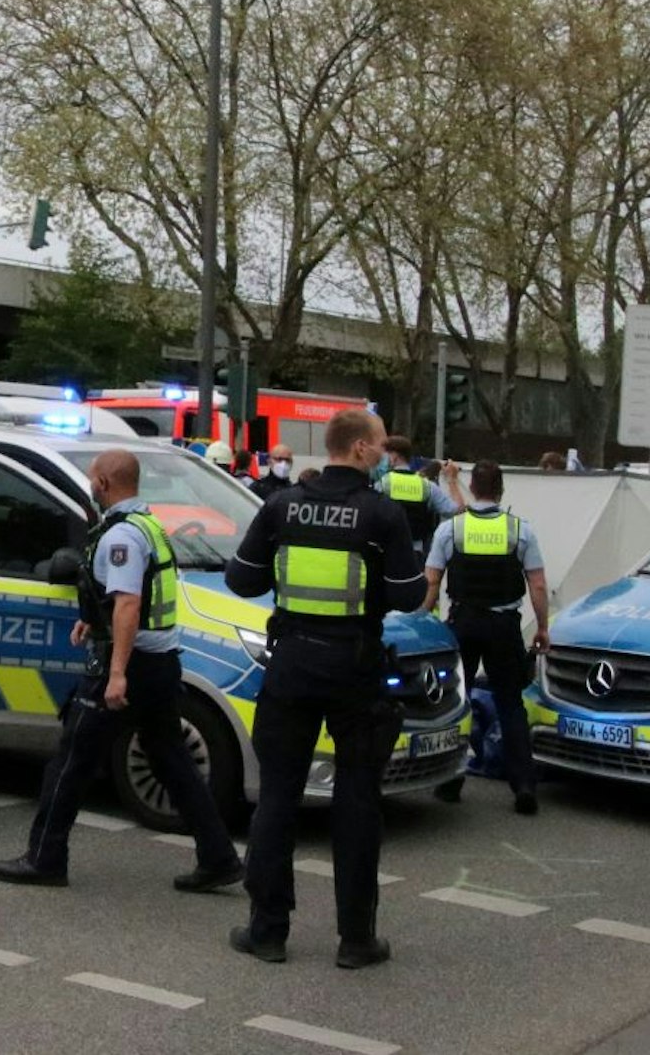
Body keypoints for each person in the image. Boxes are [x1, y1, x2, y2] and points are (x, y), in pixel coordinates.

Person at [0, 449, 244, 892]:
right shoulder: (147, 523)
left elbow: (129, 603)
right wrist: (93, 618)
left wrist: (116, 673)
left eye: (93, 479)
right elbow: (126, 595)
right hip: (160, 661)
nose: (91, 485)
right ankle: (219, 856)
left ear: (105, 483)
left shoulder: (121, 536)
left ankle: (45, 858)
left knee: (70, 761)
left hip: (132, 663)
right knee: (171, 758)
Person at [224, 409, 421, 969]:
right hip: (355, 668)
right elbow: (408, 596)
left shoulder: (282, 505)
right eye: (380, 446)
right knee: (357, 803)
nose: (384, 454)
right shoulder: (382, 515)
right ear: (359, 449)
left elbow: (242, 579)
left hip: (291, 665)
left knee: (278, 798)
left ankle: (267, 931)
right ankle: (356, 940)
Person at [421, 460, 550, 816]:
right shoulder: (519, 530)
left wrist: (420, 620)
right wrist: (542, 627)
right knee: (510, 703)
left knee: (457, 702)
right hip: (503, 626)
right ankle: (523, 784)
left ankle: (450, 783)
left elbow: (432, 581)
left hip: (462, 623)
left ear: (472, 488)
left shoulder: (451, 529)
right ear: (501, 490)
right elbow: (537, 584)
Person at [377, 434, 462, 563]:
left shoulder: (382, 484)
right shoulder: (427, 486)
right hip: (415, 555)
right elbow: (456, 510)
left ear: (394, 456)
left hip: (386, 551)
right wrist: (452, 480)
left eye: (385, 454)